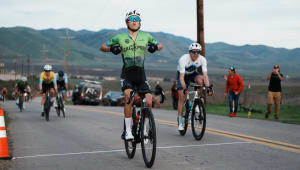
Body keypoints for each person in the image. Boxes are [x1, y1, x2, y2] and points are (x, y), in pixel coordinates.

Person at [100, 10, 163, 140]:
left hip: (141, 74)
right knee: (129, 97)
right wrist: (112, 49)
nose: (134, 21)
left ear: (140, 22)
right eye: (132, 18)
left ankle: (144, 130)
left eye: (137, 19)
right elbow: (102, 47)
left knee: (149, 101)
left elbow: (160, 45)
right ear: (127, 22)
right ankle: (128, 131)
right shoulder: (120, 37)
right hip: (127, 74)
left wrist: (154, 47)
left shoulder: (146, 36)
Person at [177, 42, 212, 131]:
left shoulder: (202, 59)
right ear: (190, 52)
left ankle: (196, 100)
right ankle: (180, 121)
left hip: (192, 74)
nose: (196, 54)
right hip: (182, 75)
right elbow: (181, 77)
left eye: (198, 52)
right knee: (182, 97)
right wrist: (184, 89)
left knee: (201, 81)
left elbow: (205, 75)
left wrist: (208, 87)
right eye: (194, 52)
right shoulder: (183, 59)